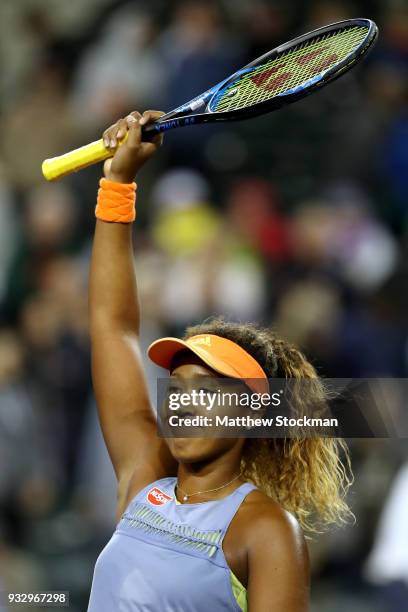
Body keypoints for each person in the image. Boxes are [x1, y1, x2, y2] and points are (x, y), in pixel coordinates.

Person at [87, 111, 353, 611]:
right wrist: (118, 184)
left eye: (207, 392)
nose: (185, 405)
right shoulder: (145, 479)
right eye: (180, 390)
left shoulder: (266, 528)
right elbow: (111, 324)